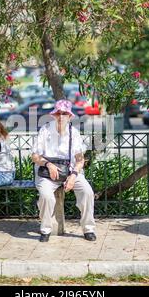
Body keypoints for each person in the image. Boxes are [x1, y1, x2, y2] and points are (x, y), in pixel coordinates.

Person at [32, 99, 96, 242]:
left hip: (70, 171)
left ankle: (88, 228)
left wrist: (73, 176)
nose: (61, 117)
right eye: (58, 113)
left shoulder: (74, 133)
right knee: (46, 196)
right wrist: (48, 164)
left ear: (70, 116)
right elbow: (35, 156)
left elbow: (80, 160)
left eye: (65, 113)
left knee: (87, 192)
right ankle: (45, 229)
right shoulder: (45, 130)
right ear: (54, 115)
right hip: (48, 173)